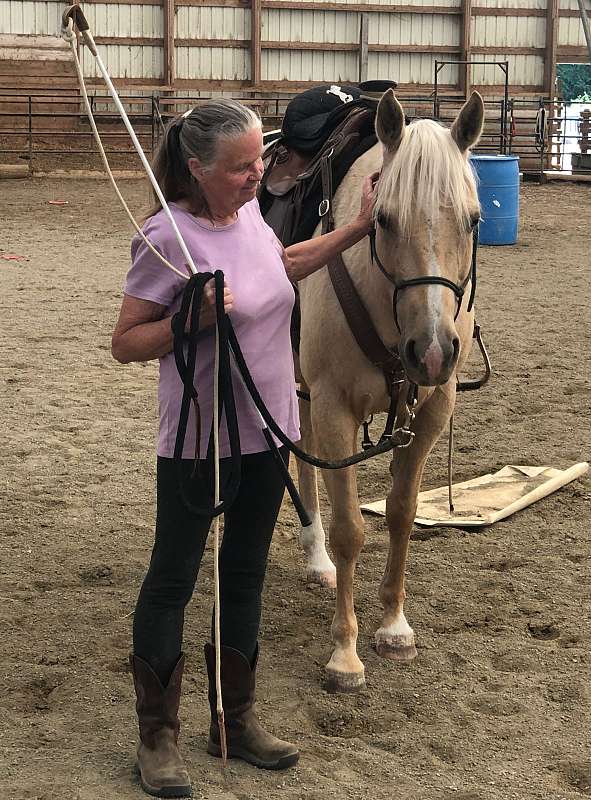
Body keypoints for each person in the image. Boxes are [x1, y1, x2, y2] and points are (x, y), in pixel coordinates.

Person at [111, 98, 376, 799]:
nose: (258, 173)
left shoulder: (251, 216)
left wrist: (355, 229)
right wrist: (185, 322)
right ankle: (157, 738)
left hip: (268, 432)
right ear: (197, 169)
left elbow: (282, 265)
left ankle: (235, 719)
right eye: (240, 167)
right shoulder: (167, 237)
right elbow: (125, 342)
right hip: (200, 439)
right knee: (173, 577)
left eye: (261, 158)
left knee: (246, 571)